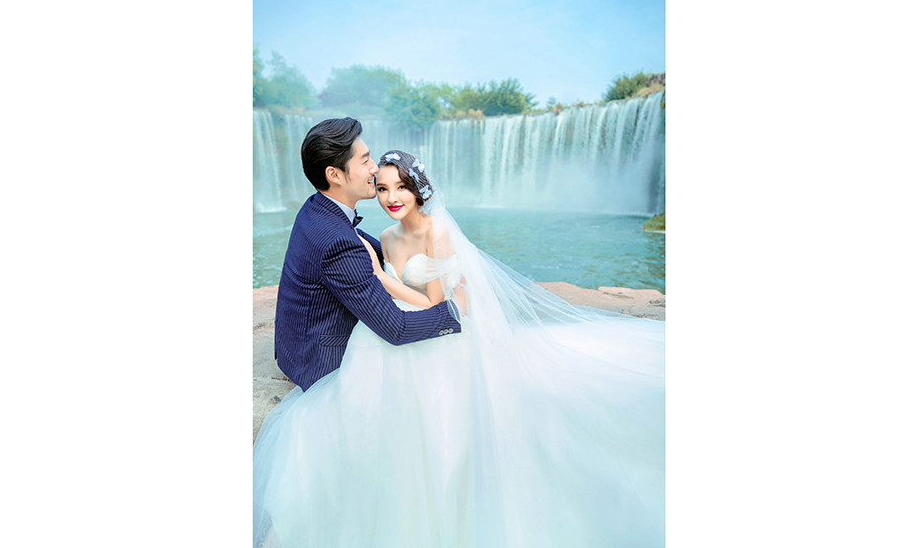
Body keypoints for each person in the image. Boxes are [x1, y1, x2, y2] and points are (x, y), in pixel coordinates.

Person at [254, 149, 665, 548]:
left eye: (401, 187)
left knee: (410, 375)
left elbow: (435, 303)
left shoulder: (436, 232)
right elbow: (379, 288)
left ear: (419, 190)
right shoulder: (382, 237)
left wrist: (382, 277)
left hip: (440, 318)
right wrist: (380, 275)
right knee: (372, 359)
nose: (391, 197)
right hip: (407, 319)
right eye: (382, 188)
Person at [273, 118, 462, 391]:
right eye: (364, 161)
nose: (374, 168)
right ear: (334, 175)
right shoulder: (338, 243)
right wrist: (456, 311)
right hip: (320, 360)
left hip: (292, 348)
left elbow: (362, 248)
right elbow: (398, 330)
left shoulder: (316, 207)